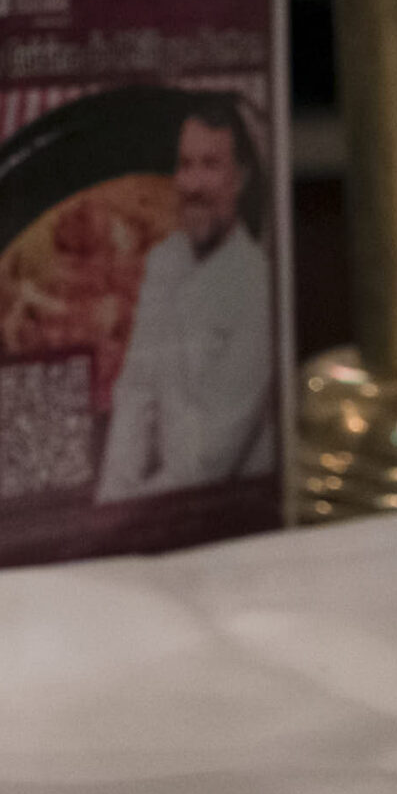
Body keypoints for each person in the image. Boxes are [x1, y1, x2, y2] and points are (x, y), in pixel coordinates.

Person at [96, 98, 275, 502]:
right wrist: (110, 500)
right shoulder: (163, 261)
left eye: (210, 165)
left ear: (240, 178)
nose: (192, 184)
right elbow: (136, 393)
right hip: (154, 506)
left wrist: (132, 517)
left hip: (228, 512)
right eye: (186, 165)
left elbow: (209, 460)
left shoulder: (257, 284)